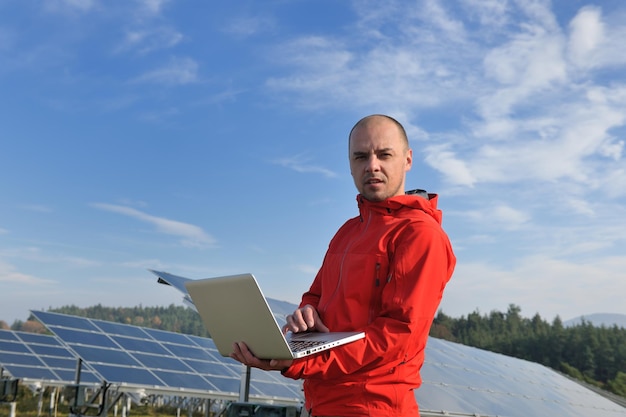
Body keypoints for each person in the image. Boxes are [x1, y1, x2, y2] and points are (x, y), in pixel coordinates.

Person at [231, 114, 456, 417]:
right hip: (322, 403)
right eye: (361, 156)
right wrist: (305, 318)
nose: (372, 165)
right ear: (350, 164)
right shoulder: (348, 231)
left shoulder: (420, 235)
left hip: (374, 407)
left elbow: (397, 338)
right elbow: (315, 296)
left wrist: (298, 361)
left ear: (407, 159)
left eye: (384, 154)